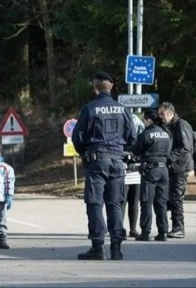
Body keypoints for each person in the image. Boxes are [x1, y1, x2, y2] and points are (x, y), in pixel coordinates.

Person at [72, 71, 136, 260]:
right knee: (115, 203)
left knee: (94, 203)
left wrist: (84, 153)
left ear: (95, 87)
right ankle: (116, 248)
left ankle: (97, 247)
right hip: (117, 161)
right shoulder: (123, 109)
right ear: (112, 87)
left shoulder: (90, 108)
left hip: (97, 161)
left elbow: (77, 137)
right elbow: (132, 137)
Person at [132, 109, 171, 241]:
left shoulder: (147, 133)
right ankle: (163, 232)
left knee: (146, 202)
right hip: (164, 170)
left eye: (144, 119)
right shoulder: (166, 133)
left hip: (150, 170)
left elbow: (136, 150)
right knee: (161, 203)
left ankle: (145, 232)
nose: (143, 122)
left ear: (149, 120)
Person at [158, 102, 193, 239]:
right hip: (173, 167)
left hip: (181, 166)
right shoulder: (167, 126)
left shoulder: (181, 125)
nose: (160, 117)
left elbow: (185, 146)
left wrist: (168, 158)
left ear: (170, 113)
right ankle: (171, 225)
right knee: (169, 197)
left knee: (176, 198)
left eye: (162, 114)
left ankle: (179, 228)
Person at [121, 114, 145, 238]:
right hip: (124, 173)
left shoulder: (141, 138)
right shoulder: (121, 137)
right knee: (122, 202)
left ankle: (133, 229)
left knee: (134, 202)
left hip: (136, 173)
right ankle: (120, 228)